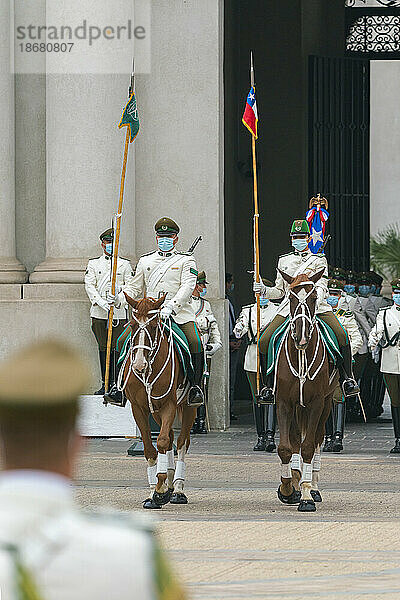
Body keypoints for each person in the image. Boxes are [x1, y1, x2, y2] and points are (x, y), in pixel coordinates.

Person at [0, 340, 185, 600]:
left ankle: (194, 383)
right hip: (137, 315)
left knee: (190, 343)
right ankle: (119, 387)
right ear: (77, 445)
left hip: (169, 312)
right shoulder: (134, 549)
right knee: (123, 343)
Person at [254, 219, 359, 404]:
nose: (298, 240)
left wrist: (310, 300)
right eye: (295, 237)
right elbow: (279, 291)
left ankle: (347, 379)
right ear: (291, 238)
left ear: (309, 238)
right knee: (264, 340)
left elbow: (323, 286)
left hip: (315, 306)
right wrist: (262, 289)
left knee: (341, 335)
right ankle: (268, 386)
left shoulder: (319, 259)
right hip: (289, 307)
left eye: (302, 237)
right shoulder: (284, 260)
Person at [108, 217, 204, 406]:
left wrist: (171, 306)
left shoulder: (186, 261)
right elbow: (134, 287)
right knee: (121, 341)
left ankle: (194, 387)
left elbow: (187, 286)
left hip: (178, 313)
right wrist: (119, 298)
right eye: (161, 236)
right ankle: (117, 387)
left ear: (176, 238)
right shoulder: (146, 260)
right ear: (156, 237)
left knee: (194, 341)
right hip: (149, 314)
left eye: (168, 236)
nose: (164, 239)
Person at [84, 227, 134, 401]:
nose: (110, 245)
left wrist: (119, 298)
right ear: (102, 244)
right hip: (99, 313)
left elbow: (131, 287)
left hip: (118, 313)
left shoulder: (124, 265)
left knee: (118, 348)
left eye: (113, 242)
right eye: (107, 242)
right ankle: (104, 384)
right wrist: (100, 302)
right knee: (103, 347)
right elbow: (89, 285)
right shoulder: (94, 264)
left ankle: (117, 384)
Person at [234, 280, 277, 451]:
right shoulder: (248, 310)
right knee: (257, 397)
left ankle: (270, 435)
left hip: (271, 357)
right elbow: (240, 329)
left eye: (264, 294)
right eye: (259, 294)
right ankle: (260, 436)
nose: (262, 297)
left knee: (271, 396)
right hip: (253, 355)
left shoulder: (277, 310)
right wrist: (239, 328)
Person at [323, 279, 363, 453]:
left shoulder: (345, 316)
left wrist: (346, 355)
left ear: (340, 297)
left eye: (336, 295)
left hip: (338, 364)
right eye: (330, 294)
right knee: (323, 400)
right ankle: (327, 436)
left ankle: (337, 436)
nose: (333, 297)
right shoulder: (320, 315)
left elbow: (357, 340)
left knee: (338, 397)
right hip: (322, 363)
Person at [369, 279, 400, 454]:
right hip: (390, 364)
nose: (398, 296)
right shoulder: (385, 313)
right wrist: (372, 344)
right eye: (396, 293)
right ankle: (398, 439)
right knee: (395, 402)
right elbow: (377, 330)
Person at [191, 271, 222, 434]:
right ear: (195, 286)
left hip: (204, 349)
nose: (204, 288)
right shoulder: (186, 303)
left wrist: (216, 343)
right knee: (189, 384)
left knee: (203, 384)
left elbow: (213, 325)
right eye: (202, 285)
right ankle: (190, 420)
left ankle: (201, 420)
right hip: (190, 349)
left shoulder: (206, 305)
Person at [226, 272, 241, 421]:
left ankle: (230, 409)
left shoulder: (230, 299)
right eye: (230, 283)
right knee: (227, 379)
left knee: (233, 378)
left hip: (234, 340)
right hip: (225, 341)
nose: (231, 286)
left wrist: (237, 339)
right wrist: (227, 341)